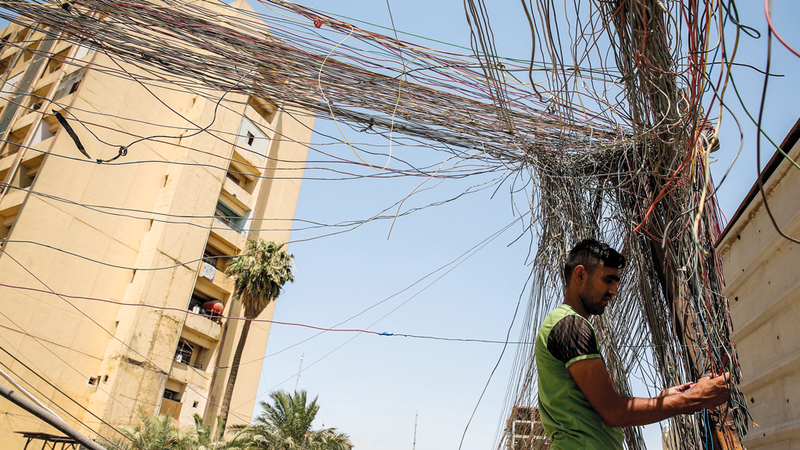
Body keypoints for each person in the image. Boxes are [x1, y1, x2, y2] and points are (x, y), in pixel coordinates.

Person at [535, 238, 730, 449]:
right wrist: (697, 397)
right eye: (608, 280)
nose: (614, 291)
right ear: (580, 275)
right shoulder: (570, 325)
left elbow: (603, 409)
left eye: (616, 283)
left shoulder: (566, 323)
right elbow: (614, 412)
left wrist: (661, 399)